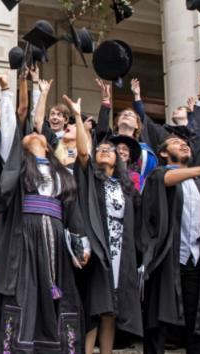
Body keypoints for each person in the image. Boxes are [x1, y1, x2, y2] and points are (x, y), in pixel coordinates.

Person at [0, 82, 90, 353]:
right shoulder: (18, 168)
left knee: (54, 292)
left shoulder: (63, 174)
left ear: (48, 142)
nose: (35, 135)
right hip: (23, 237)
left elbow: (73, 212)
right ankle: (16, 347)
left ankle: (51, 347)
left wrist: (81, 244)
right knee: (23, 290)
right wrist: (7, 93)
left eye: (40, 134)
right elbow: (7, 136)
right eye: (29, 135)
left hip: (54, 239)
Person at [67, 96, 143, 354]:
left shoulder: (125, 186)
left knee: (111, 309)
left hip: (121, 250)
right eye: (101, 149)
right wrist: (78, 117)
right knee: (95, 305)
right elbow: (82, 152)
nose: (105, 151)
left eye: (109, 150)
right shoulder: (91, 179)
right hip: (98, 249)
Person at [141, 134, 200, 354]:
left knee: (196, 323)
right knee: (158, 322)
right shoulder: (158, 174)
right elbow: (166, 180)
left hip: (196, 260)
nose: (183, 144)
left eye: (185, 143)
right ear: (163, 153)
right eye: (175, 143)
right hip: (167, 258)